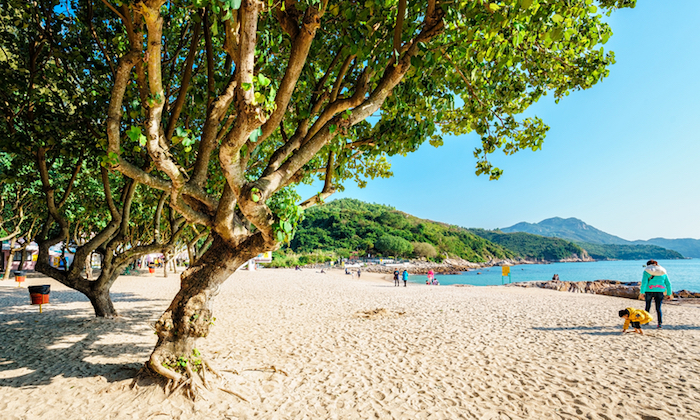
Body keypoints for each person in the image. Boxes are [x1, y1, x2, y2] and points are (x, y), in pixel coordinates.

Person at [640, 259, 673, 329]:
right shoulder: (663, 272)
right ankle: (659, 323)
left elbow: (644, 283)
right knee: (658, 308)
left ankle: (646, 321)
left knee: (647, 307)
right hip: (660, 292)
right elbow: (668, 284)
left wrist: (642, 292)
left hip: (649, 291)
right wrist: (669, 294)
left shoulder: (646, 271)